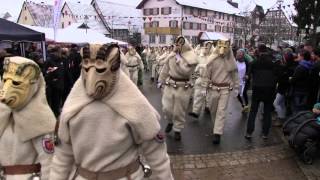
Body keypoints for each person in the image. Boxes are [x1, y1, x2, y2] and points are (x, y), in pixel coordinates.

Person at [49, 44, 173, 180]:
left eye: (100, 69)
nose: (92, 76)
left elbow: (156, 153)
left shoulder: (134, 105)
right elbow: (62, 157)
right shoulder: (72, 109)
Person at [0, 57, 56, 180]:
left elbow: (49, 163)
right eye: (5, 80)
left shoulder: (41, 120)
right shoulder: (3, 116)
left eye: (16, 83)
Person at [159, 36, 198, 141]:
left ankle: (177, 129)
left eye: (180, 44)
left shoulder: (191, 58)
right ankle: (170, 121)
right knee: (166, 108)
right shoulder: (171, 56)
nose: (177, 45)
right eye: (177, 43)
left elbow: (186, 72)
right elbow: (165, 69)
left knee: (179, 111)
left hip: (183, 86)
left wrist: (179, 60)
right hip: (170, 84)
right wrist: (160, 81)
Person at [205, 39, 239, 144]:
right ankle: (216, 126)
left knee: (221, 111)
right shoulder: (212, 59)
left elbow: (234, 74)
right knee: (213, 110)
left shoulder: (230, 60)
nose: (222, 49)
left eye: (225, 47)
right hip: (213, 88)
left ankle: (217, 133)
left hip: (225, 89)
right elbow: (206, 74)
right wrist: (204, 87)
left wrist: (236, 87)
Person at [245, 44, 279, 140]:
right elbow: (277, 75)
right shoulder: (273, 62)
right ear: (266, 51)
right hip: (269, 89)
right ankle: (265, 134)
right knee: (267, 112)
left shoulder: (254, 62)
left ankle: (249, 132)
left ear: (258, 51)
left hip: (257, 88)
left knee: (253, 111)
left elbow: (248, 76)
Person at [189, 41, 213, 118]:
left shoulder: (213, 57)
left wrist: (202, 66)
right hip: (200, 78)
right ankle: (195, 112)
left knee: (208, 95)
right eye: (206, 46)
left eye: (209, 46)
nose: (207, 48)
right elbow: (193, 61)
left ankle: (208, 107)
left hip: (210, 79)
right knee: (197, 95)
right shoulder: (200, 56)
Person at [44, 46, 65, 117]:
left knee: (58, 101)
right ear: (56, 52)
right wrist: (52, 79)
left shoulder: (60, 60)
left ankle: (56, 113)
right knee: (54, 101)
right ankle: (54, 115)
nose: (61, 53)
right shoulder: (49, 61)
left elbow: (61, 72)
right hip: (53, 86)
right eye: (60, 52)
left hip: (59, 85)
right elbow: (46, 72)